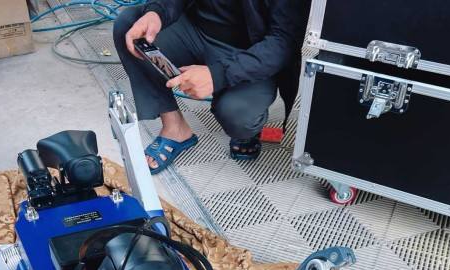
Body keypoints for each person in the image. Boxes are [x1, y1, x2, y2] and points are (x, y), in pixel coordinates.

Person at [112, 0, 309, 174]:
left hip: (251, 52)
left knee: (240, 117)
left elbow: (283, 43)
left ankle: (249, 129)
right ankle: (175, 127)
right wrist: (157, 12)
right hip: (195, 32)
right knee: (130, 26)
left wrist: (217, 75)